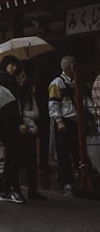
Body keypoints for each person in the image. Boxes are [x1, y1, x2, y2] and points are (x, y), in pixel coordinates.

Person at [0, 55, 25, 203]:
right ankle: (13, 188)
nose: (13, 68)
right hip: (5, 123)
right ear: (5, 65)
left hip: (13, 123)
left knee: (13, 155)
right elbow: (8, 105)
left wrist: (20, 83)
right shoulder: (0, 80)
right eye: (11, 65)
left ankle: (6, 188)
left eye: (15, 65)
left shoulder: (12, 80)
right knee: (14, 152)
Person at [48, 55, 79, 191]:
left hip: (75, 121)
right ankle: (65, 180)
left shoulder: (76, 81)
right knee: (63, 153)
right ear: (69, 67)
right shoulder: (57, 83)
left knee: (76, 151)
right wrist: (59, 121)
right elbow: (53, 104)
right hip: (64, 122)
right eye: (73, 65)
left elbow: (83, 99)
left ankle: (73, 176)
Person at [16, 68, 46, 200]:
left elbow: (36, 113)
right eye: (21, 76)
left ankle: (32, 191)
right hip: (18, 131)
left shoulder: (29, 93)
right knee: (18, 162)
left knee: (32, 162)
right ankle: (12, 187)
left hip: (30, 130)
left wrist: (24, 114)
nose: (23, 78)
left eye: (25, 75)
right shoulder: (14, 93)